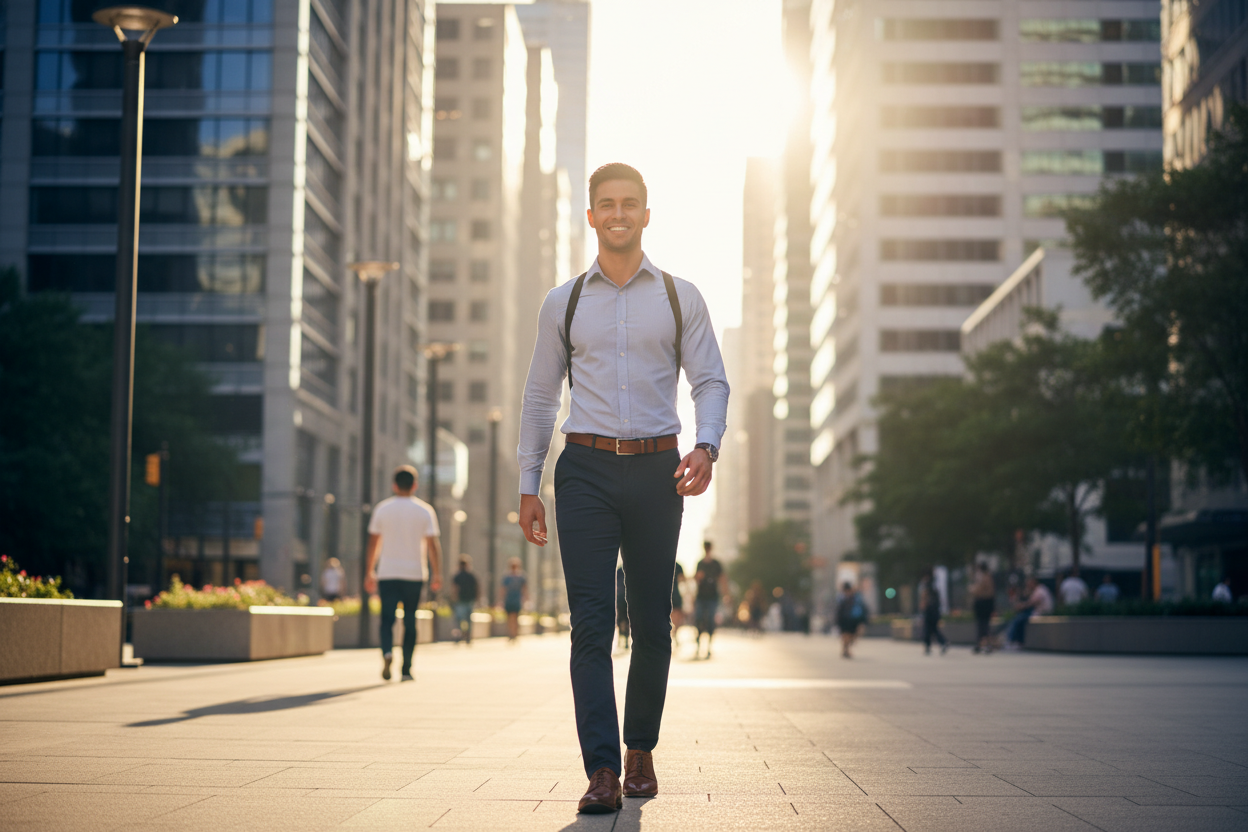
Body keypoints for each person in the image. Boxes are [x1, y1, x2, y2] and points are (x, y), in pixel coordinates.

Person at [515, 163, 729, 813]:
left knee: (653, 622)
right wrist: (528, 482)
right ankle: (602, 770)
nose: (617, 213)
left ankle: (641, 751)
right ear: (590, 216)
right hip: (583, 469)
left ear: (645, 214)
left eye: (629, 203)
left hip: (658, 470)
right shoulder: (565, 301)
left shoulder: (678, 296)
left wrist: (706, 445)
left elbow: (711, 381)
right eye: (605, 203)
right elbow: (540, 396)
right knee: (590, 623)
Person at [364, 465, 442, 682]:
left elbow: (373, 543)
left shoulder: (382, 509)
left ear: (394, 485)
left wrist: (369, 571)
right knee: (410, 621)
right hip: (414, 573)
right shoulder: (425, 510)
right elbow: (433, 545)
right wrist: (437, 573)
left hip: (388, 572)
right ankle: (406, 668)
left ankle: (387, 652)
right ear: (415, 485)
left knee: (387, 619)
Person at [694, 542, 727, 659]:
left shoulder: (716, 564)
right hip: (701, 597)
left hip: (712, 597)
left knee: (710, 622)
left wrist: (726, 594)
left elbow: (722, 579)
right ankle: (698, 646)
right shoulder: (700, 564)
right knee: (698, 620)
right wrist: (698, 577)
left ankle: (708, 647)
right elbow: (696, 580)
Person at [1004, 575, 1053, 649]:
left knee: (1018, 620)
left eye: (1029, 584)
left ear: (1033, 582)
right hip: (1038, 613)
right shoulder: (1038, 589)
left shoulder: (1040, 590)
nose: (1028, 586)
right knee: (1019, 619)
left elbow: (1031, 603)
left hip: (1041, 613)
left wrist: (1021, 606)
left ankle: (1011, 640)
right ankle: (1017, 641)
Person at [451, 556, 479, 645]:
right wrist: (477, 598)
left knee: (459, 619)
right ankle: (468, 636)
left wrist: (454, 598)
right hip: (469, 599)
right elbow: (477, 587)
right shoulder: (471, 575)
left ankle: (459, 636)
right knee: (468, 619)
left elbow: (454, 588)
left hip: (461, 600)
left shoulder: (458, 576)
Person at [500, 557, 528, 642]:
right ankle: (511, 634)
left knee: (515, 618)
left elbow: (524, 589)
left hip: (516, 600)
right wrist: (501, 600)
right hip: (509, 600)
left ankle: (514, 634)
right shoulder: (507, 578)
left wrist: (525, 599)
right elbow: (503, 589)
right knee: (509, 618)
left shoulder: (521, 577)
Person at [969, 561, 995, 654]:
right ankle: (984, 645)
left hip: (982, 603)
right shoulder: (989, 577)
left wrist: (972, 588)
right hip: (987, 603)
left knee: (982, 625)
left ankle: (984, 644)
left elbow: (977, 590)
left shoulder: (983, 578)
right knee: (985, 624)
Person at [835, 581, 866, 658]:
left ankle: (846, 649)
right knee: (846, 635)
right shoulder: (842, 598)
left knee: (851, 636)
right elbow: (838, 610)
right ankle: (846, 650)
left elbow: (862, 608)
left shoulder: (856, 598)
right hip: (845, 620)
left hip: (853, 620)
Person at [920, 573, 948, 656]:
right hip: (935, 611)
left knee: (928, 630)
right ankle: (943, 642)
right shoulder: (935, 588)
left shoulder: (926, 588)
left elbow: (924, 600)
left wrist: (923, 607)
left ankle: (929, 646)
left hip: (929, 612)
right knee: (934, 629)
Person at [670, 561, 686, 645]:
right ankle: (674, 632)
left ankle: (674, 632)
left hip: (673, 593)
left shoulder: (678, 566)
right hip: (673, 593)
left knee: (676, 615)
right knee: (675, 615)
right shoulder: (678, 566)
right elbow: (682, 579)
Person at [616, 565, 631, 649]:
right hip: (628, 597)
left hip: (621, 597)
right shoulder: (630, 569)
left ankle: (622, 639)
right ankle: (625, 640)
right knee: (627, 619)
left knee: (622, 619)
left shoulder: (619, 570)